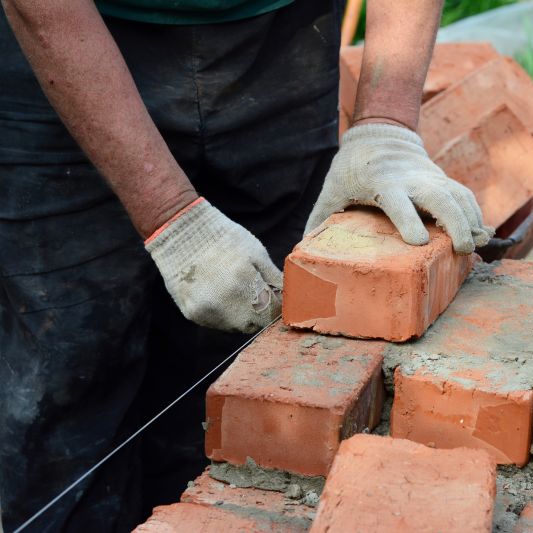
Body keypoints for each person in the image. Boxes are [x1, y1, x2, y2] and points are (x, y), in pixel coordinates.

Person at [0, 0, 492, 531]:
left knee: (256, 363)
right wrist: (171, 218)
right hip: (70, 49)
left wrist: (387, 126)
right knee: (71, 372)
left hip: (285, 37)